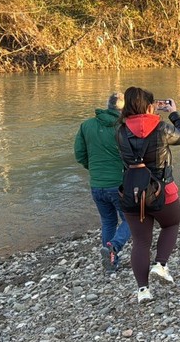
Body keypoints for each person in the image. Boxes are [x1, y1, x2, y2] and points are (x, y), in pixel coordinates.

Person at [117, 86, 180, 303]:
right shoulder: (161, 128)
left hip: (133, 192)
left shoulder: (120, 131)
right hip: (163, 190)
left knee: (140, 242)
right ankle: (160, 265)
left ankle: (143, 291)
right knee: (171, 225)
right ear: (150, 106)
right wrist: (173, 113)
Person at [74, 92, 131, 274]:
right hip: (119, 184)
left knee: (108, 221)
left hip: (96, 184)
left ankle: (111, 265)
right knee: (132, 219)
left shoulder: (87, 125)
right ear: (124, 108)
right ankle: (114, 247)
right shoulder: (125, 126)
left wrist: (94, 169)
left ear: (108, 105)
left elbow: (80, 154)